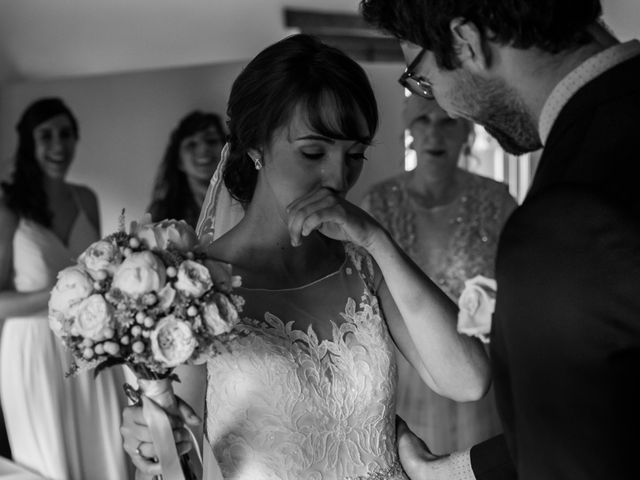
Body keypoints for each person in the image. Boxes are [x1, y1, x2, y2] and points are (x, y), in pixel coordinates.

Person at [120, 33, 491, 480]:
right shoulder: (191, 290)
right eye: (313, 151)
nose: (338, 176)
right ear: (256, 147)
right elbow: (172, 467)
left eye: (354, 155)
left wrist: (377, 240)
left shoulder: (363, 266)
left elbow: (468, 381)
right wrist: (152, 439)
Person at [361, 0, 640, 478]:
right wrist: (454, 471)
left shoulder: (565, 219)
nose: (443, 106)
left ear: (467, 43)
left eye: (422, 77)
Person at [361, 95, 516, 453]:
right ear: (410, 131)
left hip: (478, 372)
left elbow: (526, 285)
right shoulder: (378, 204)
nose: (435, 134)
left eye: (447, 122)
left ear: (466, 132)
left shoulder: (497, 200)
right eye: (423, 121)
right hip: (407, 371)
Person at [0, 98, 129, 479]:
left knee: (106, 450)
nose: (59, 145)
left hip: (90, 345)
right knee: (51, 461)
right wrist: (67, 291)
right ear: (29, 142)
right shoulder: (7, 206)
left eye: (67, 134)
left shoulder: (85, 198)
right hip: (33, 348)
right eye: (47, 135)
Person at [147, 110, 226, 228]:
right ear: (179, 161)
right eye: (191, 144)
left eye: (211, 141)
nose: (203, 149)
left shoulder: (247, 202)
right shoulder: (163, 212)